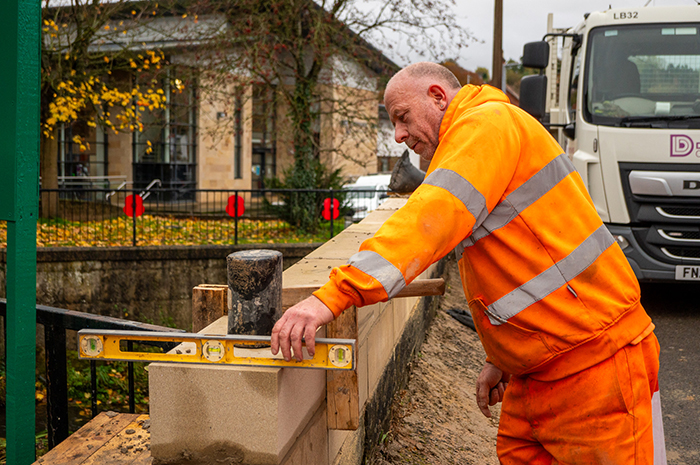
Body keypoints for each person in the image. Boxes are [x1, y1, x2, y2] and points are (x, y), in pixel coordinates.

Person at [271, 62, 666, 464]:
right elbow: (521, 258)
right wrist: (503, 357)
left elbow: (430, 218)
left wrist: (329, 297)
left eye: (402, 117)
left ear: (438, 97)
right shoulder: (486, 131)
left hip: (595, 364)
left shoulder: (486, 124)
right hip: (546, 368)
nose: (399, 135)